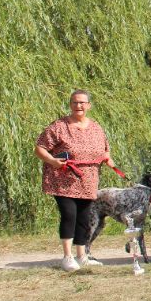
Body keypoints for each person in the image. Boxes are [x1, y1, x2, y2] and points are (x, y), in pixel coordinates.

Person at [34, 89, 116, 272]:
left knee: (84, 218)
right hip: (62, 180)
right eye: (75, 102)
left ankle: (82, 256)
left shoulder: (96, 127)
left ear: (89, 106)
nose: (78, 106)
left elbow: (105, 149)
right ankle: (67, 257)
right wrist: (52, 161)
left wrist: (108, 159)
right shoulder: (58, 126)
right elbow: (40, 148)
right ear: (70, 105)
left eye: (82, 103)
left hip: (88, 180)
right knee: (69, 214)